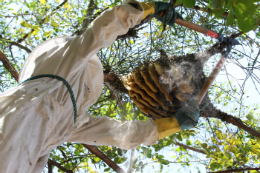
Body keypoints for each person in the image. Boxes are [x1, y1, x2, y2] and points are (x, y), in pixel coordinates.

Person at [0, 1, 201, 172]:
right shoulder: (64, 68)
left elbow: (121, 134)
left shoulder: (74, 124)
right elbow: (102, 31)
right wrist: (146, 8)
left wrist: (172, 125)